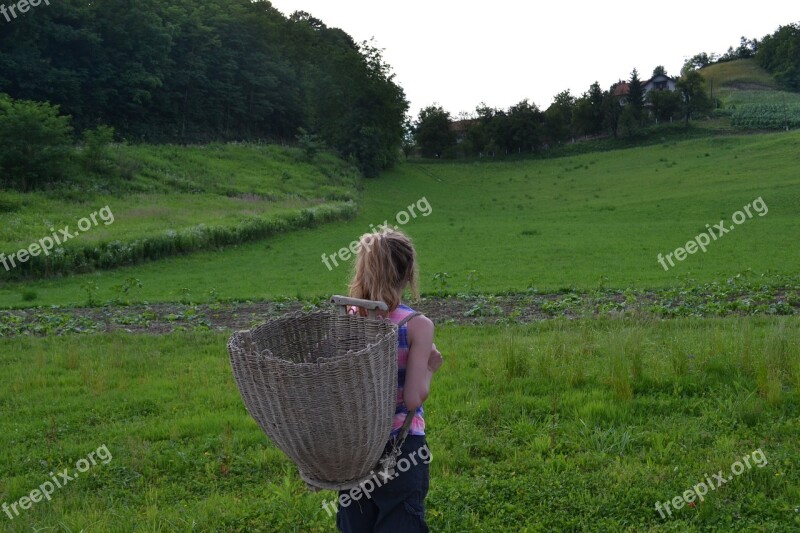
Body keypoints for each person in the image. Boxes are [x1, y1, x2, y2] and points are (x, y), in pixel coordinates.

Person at [337, 229, 442, 533]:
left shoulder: (350, 316)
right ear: (409, 272)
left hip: (357, 449)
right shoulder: (417, 326)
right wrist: (431, 369)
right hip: (402, 449)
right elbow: (412, 398)